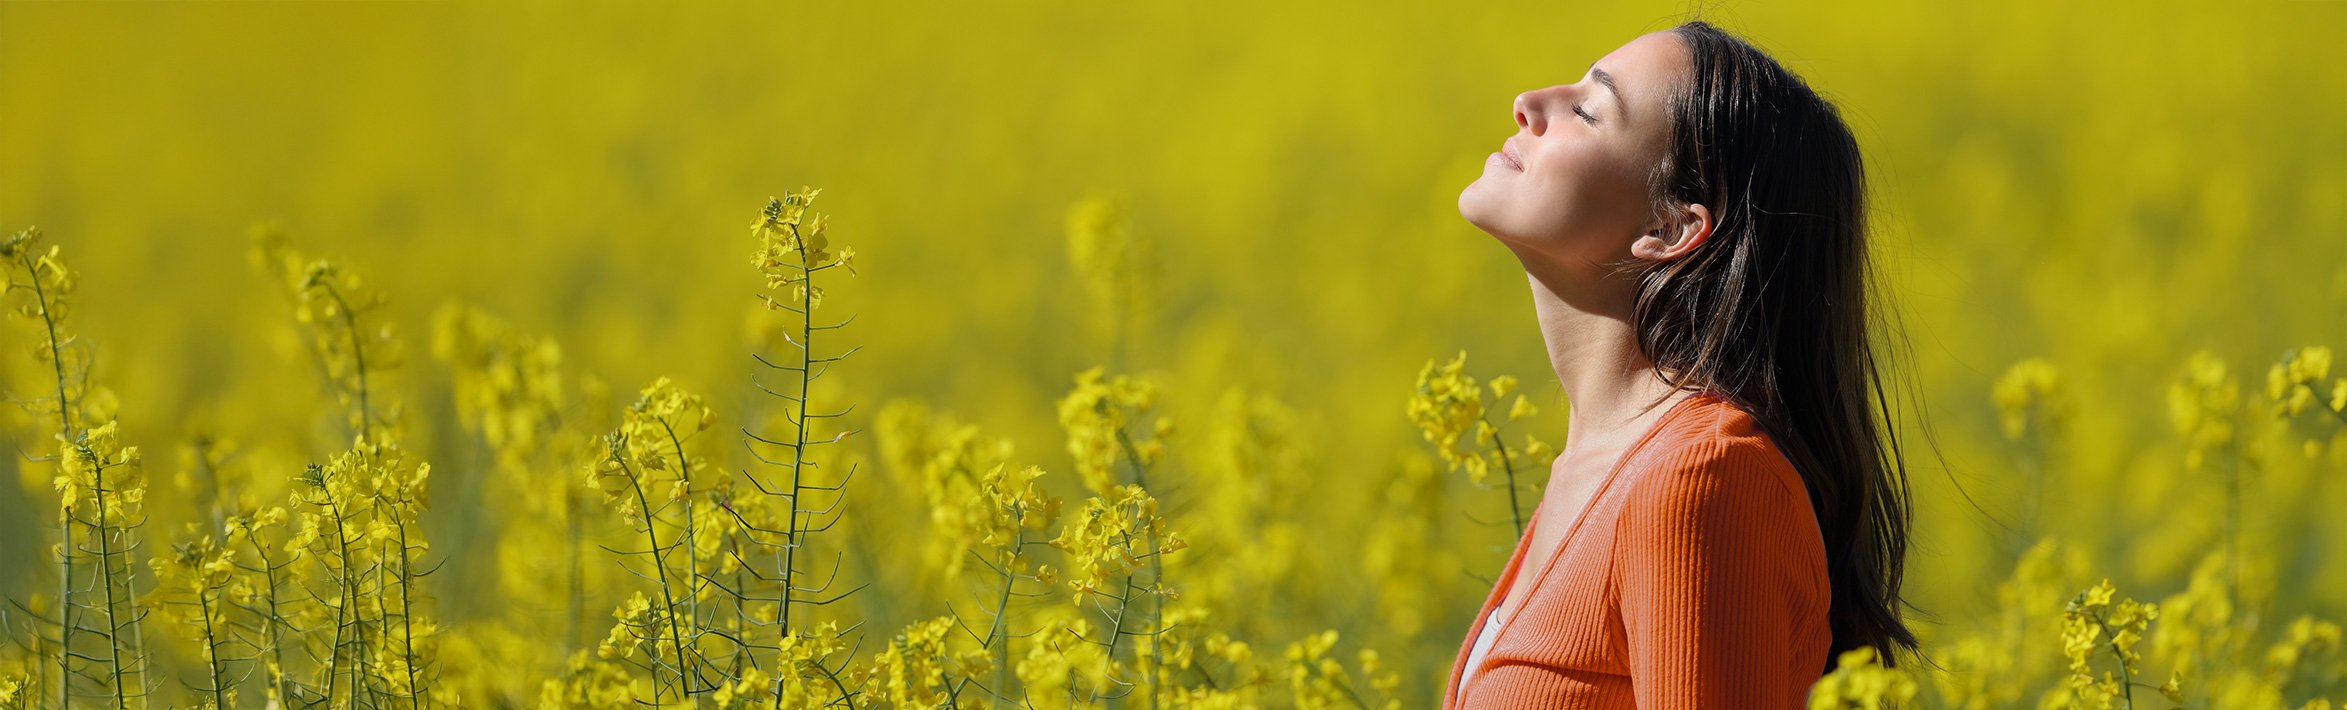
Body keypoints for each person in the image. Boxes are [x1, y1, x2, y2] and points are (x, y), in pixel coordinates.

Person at [1440, 20, 1921, 709]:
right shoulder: (1598, 465)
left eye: (1587, 111)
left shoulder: (1700, 479)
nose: (1528, 103)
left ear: (1668, 228)